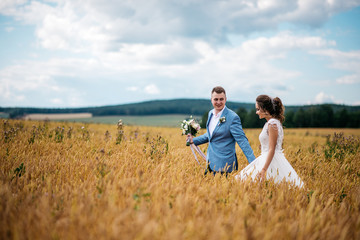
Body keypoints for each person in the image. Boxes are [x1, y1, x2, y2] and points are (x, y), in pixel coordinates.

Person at [235, 95, 303, 187]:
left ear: (265, 109)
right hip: (266, 157)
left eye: (258, 109)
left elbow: (272, 149)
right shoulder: (271, 123)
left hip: (271, 160)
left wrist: (263, 170)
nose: (256, 112)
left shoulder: (272, 123)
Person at [187, 86, 255, 175]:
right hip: (210, 163)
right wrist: (193, 140)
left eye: (221, 99)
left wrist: (254, 163)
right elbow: (211, 135)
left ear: (225, 99)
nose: (218, 102)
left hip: (225, 166)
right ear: (211, 100)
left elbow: (242, 141)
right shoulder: (210, 114)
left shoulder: (233, 117)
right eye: (216, 99)